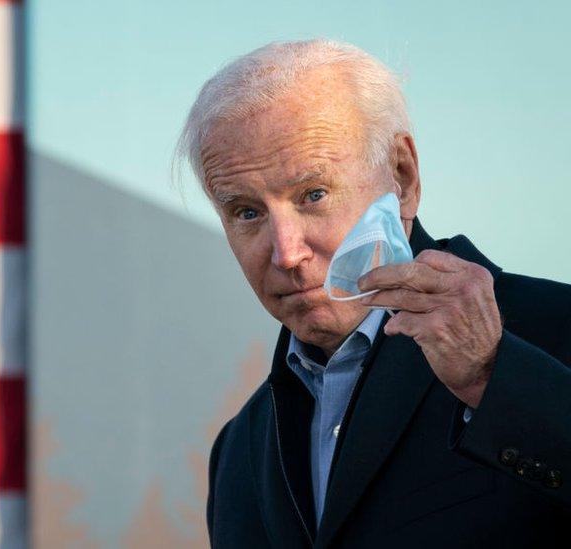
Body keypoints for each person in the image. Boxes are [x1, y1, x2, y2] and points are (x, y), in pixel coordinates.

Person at [177, 39, 571, 548]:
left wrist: (493, 379)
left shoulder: (554, 332)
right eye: (247, 212)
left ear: (402, 178)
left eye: (313, 195)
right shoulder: (238, 449)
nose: (287, 253)